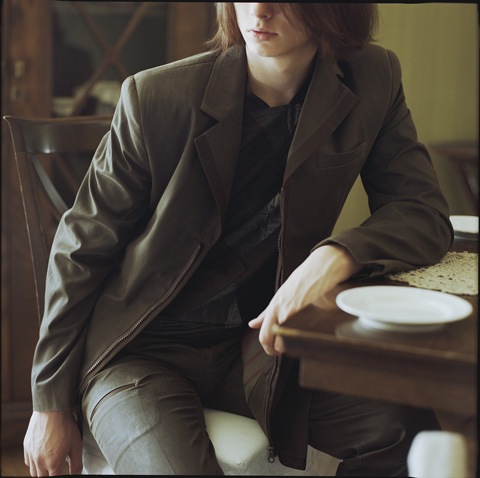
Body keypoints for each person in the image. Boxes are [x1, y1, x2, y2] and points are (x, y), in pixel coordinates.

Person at [24, 3, 453, 476]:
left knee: (406, 434)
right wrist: (49, 402)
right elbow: (79, 250)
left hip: (261, 345)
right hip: (140, 351)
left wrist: (333, 257)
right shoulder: (155, 97)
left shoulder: (373, 77)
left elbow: (422, 211)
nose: (259, 10)